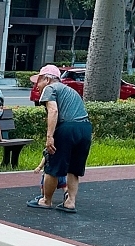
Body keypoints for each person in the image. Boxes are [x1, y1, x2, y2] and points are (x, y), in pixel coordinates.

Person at [26, 64, 92, 214]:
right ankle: (70, 202)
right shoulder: (71, 90)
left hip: (67, 128)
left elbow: (53, 110)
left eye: (39, 81)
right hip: (85, 128)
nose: (37, 85)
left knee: (53, 165)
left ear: (48, 79)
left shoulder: (50, 89)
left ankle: (46, 200)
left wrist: (49, 137)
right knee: (74, 168)